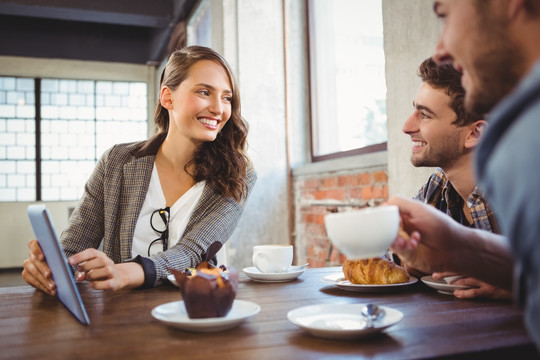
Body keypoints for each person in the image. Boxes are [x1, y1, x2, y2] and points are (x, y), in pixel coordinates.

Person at [22, 45, 255, 294]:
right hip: (119, 311)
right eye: (204, 92)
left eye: (226, 98)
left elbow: (192, 251)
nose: (219, 109)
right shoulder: (116, 161)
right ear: (168, 97)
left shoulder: (238, 175)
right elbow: (74, 246)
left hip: (195, 308)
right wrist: (50, 269)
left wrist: (125, 272)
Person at [389, 0, 540, 349]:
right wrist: (460, 248)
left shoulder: (525, 144)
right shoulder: (440, 188)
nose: (442, 47)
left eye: (445, 15)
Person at [403, 57, 510, 299]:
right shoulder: (438, 187)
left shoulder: (522, 189)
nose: (407, 127)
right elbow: (391, 258)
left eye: (425, 115)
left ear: (474, 133)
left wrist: (519, 283)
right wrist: (409, 260)